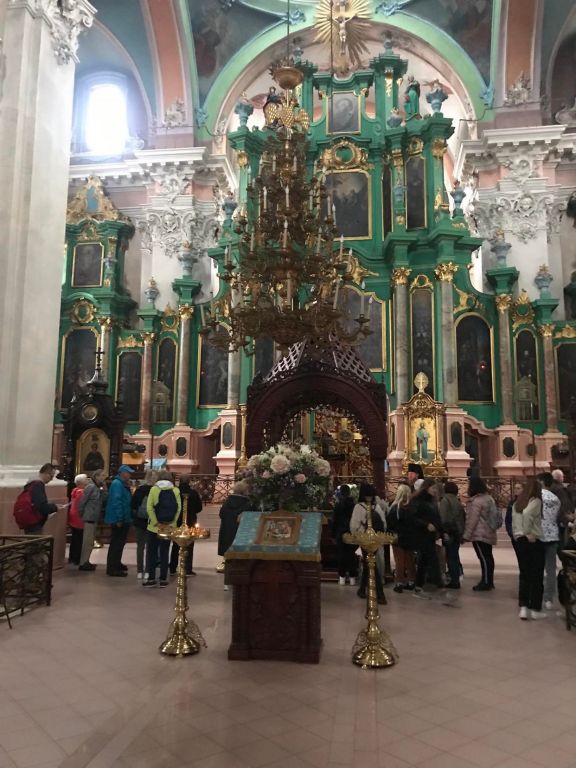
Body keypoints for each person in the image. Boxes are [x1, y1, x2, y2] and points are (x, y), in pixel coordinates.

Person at [512, 478, 546, 620]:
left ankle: (524, 607)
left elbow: (515, 521)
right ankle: (535, 608)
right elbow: (527, 514)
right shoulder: (536, 501)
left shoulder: (517, 503)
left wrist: (518, 535)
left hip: (520, 540)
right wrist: (527, 532)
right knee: (537, 575)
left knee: (524, 574)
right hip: (533, 540)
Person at [350, 483, 386, 604]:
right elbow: (383, 523)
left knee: (371, 565)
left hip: (364, 539)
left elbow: (354, 526)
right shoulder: (377, 507)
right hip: (376, 539)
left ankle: (380, 594)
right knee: (368, 564)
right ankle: (362, 589)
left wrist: (356, 537)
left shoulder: (358, 507)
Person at [144, 471, 181, 587]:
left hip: (153, 527)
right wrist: (172, 523)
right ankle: (163, 579)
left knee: (151, 552)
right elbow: (179, 508)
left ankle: (151, 578)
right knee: (165, 552)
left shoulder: (154, 489)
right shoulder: (175, 490)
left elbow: (149, 508)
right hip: (168, 527)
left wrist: (156, 522)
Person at [410, 478, 443, 598]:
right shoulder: (417, 500)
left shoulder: (432, 501)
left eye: (436, 488)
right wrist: (426, 524)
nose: (435, 490)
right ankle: (437, 583)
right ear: (426, 488)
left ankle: (420, 585)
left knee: (424, 560)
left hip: (430, 535)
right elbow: (412, 517)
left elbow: (437, 517)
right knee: (430, 558)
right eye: (433, 488)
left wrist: (440, 529)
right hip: (421, 535)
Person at [463, 476, 497, 591]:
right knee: (488, 557)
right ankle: (488, 580)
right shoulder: (489, 498)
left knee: (484, 558)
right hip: (489, 530)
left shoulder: (476, 501)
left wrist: (466, 535)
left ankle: (486, 582)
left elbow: (473, 519)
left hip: (479, 533)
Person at [218, 481, 251, 590]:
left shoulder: (227, 501)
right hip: (241, 533)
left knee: (229, 559)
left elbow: (221, 514)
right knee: (241, 559)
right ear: (244, 491)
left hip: (227, 531)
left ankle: (227, 583)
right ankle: (240, 582)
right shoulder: (248, 503)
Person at [169, 474, 203, 576]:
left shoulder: (175, 492)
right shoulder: (193, 493)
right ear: (189, 482)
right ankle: (187, 569)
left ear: (179, 481)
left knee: (175, 544)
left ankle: (172, 568)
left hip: (176, 520)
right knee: (189, 544)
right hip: (191, 521)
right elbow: (199, 508)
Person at [104, 465, 134, 577]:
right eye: (128, 473)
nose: (130, 475)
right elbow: (117, 502)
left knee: (119, 543)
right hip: (118, 519)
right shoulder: (117, 484)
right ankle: (112, 568)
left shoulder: (122, 483)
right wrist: (120, 518)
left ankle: (116, 563)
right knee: (116, 543)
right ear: (122, 473)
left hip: (124, 517)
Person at [386, 483, 416, 592]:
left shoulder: (395, 507)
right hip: (410, 537)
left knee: (399, 561)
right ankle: (411, 581)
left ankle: (399, 583)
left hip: (398, 538)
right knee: (410, 560)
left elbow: (390, 523)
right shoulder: (412, 507)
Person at [537, 473, 561, 609]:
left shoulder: (536, 497)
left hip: (538, 535)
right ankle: (549, 598)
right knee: (551, 569)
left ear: (541, 481)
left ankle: (537, 595)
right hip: (553, 535)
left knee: (537, 567)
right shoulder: (556, 499)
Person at [130, 470, 157, 580]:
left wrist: (135, 517)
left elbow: (133, 505)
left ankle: (139, 571)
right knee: (150, 547)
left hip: (139, 521)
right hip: (152, 522)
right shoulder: (156, 490)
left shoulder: (139, 490)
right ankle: (148, 571)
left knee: (140, 547)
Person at [439, 481, 466, 589]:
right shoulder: (457, 501)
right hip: (457, 532)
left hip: (449, 532)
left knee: (450, 557)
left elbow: (443, 517)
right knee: (454, 556)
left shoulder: (445, 500)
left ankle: (454, 581)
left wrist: (443, 531)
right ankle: (456, 578)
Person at [18, 463, 58, 534]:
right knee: (36, 540)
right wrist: (55, 507)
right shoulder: (38, 485)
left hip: (30, 520)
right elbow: (41, 507)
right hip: (34, 522)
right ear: (46, 473)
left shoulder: (31, 484)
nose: (51, 479)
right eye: (51, 476)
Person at [78, 469, 106, 571]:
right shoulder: (90, 487)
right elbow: (83, 501)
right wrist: (81, 513)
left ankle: (87, 561)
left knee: (90, 542)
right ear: (96, 476)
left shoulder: (99, 487)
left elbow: (103, 499)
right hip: (89, 517)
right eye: (102, 475)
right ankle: (83, 562)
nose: (104, 477)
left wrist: (104, 489)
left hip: (95, 517)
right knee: (87, 542)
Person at [331, 484, 358, 586]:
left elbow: (334, 521)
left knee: (341, 555)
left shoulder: (338, 505)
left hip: (341, 532)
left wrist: (333, 535)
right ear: (349, 492)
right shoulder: (354, 505)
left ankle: (342, 577)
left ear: (340, 493)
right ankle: (352, 578)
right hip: (352, 532)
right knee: (351, 554)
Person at [68, 474, 88, 565]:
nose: (87, 482)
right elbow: (82, 506)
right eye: (86, 480)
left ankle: (72, 558)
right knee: (79, 540)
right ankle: (77, 559)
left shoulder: (75, 491)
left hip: (73, 517)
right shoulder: (82, 492)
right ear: (81, 482)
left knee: (75, 539)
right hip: (79, 517)